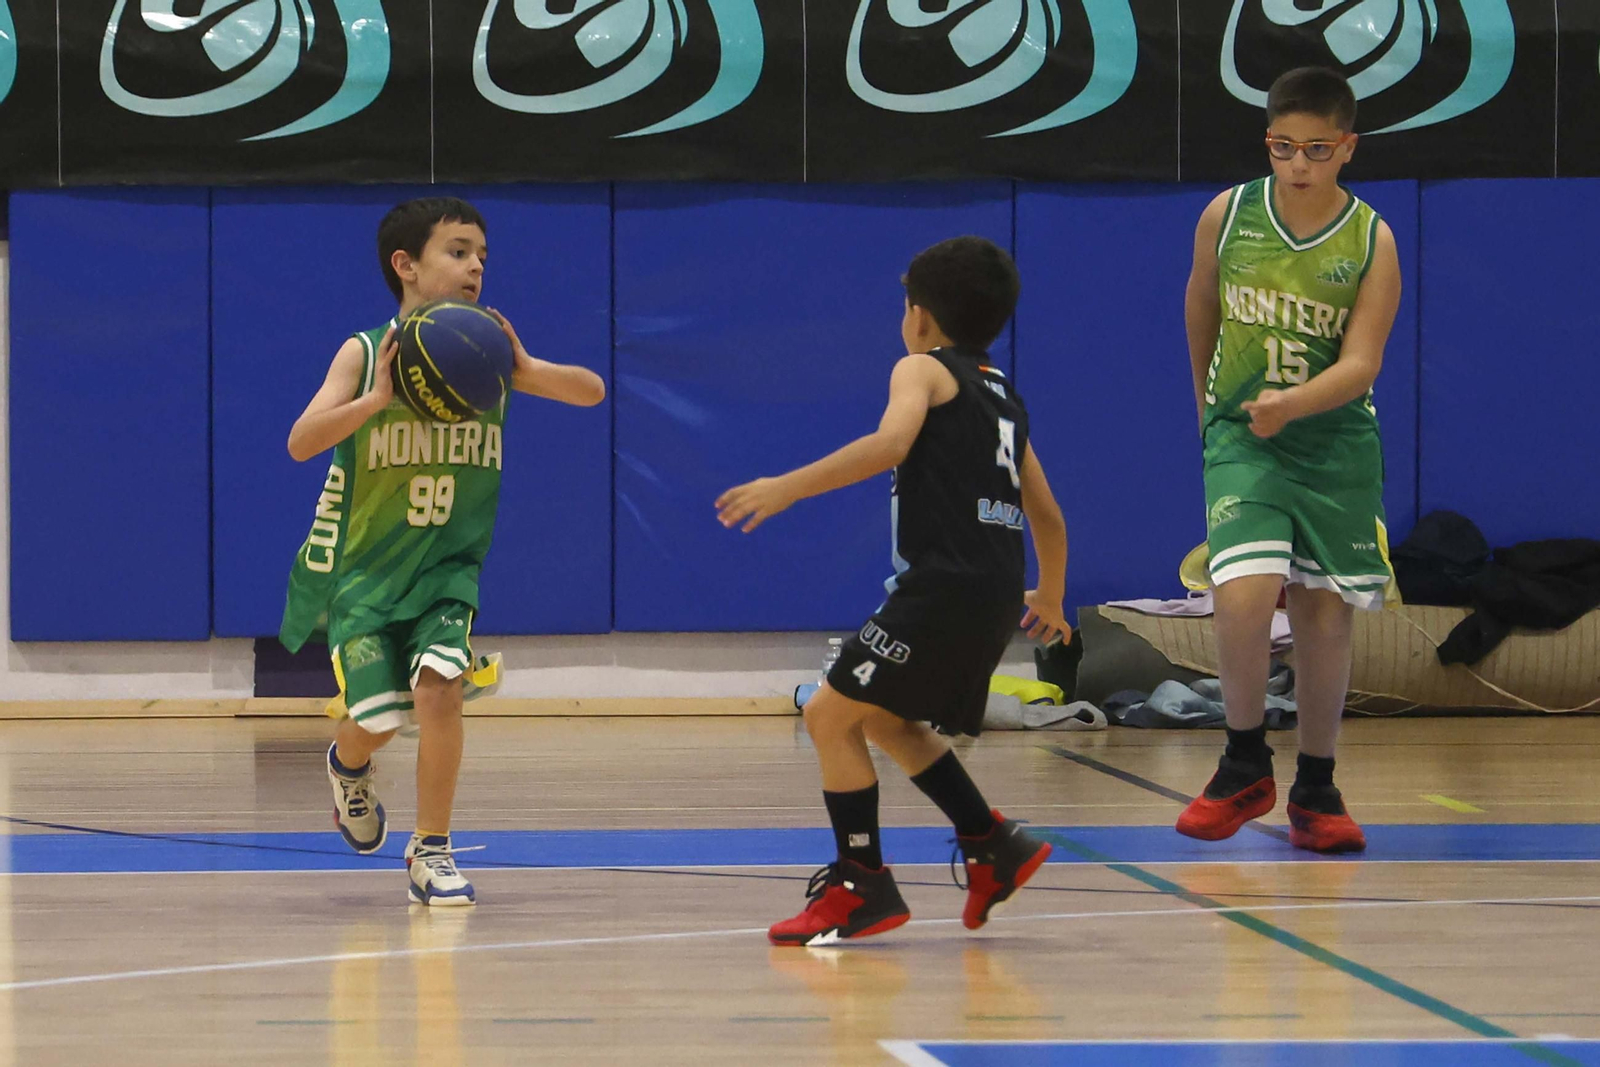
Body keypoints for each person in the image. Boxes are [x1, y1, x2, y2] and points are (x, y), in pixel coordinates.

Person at [716, 235, 1070, 945]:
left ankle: (861, 885)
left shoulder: (920, 368)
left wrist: (787, 487)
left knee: (827, 715)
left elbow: (889, 444)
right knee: (880, 718)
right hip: (994, 590)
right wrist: (1051, 595)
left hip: (942, 587)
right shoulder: (1005, 398)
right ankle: (992, 842)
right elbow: (1049, 515)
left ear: (920, 316)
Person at [280, 197, 606, 904]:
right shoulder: (364, 352)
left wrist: (526, 366)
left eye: (482, 255)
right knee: (377, 720)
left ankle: (431, 848)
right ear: (406, 265)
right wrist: (373, 402)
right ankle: (346, 764)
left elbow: (592, 392)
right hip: (367, 575)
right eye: (458, 251)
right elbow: (301, 441)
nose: (475, 266)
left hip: (448, 569)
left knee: (440, 692)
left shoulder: (486, 357)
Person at [1178, 67, 1402, 853]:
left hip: (1334, 442)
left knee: (1322, 612)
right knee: (1241, 593)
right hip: (1246, 435)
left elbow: (1363, 364)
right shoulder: (1227, 214)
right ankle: (1243, 761)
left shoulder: (1371, 239)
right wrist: (1209, 404)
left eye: (1315, 149)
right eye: (1283, 147)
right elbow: (1201, 302)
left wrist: (1294, 403)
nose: (1298, 164)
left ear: (1347, 147)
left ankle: (1316, 784)